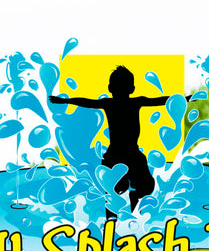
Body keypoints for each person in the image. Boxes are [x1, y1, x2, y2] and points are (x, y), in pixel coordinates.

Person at [49, 65, 168, 212]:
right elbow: (160, 100)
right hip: (125, 154)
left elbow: (86, 101)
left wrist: (64, 101)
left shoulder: (114, 103)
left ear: (110, 88)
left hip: (121, 155)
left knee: (120, 190)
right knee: (129, 188)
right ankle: (126, 204)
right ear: (132, 88)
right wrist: (183, 99)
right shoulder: (131, 102)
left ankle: (121, 209)